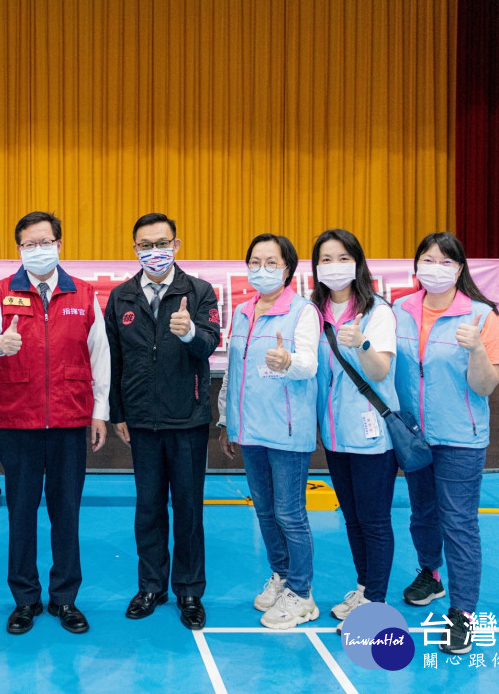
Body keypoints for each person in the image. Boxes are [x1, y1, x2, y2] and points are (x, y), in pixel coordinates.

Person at [0, 211, 109, 635]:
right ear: (19, 250)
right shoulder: (0, 293)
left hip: (70, 420)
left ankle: (65, 598)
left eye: (44, 242)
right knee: (22, 513)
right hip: (18, 421)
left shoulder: (84, 296)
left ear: (59, 245)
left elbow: (100, 356)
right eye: (28, 245)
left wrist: (99, 411)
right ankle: (25, 599)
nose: (37, 250)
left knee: (66, 512)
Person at [104, 213, 220, 630]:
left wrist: (189, 332)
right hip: (141, 421)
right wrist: (118, 412)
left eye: (162, 243)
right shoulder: (121, 297)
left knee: (188, 509)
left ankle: (189, 590)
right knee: (148, 508)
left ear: (177, 244)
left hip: (187, 419)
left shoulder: (200, 292)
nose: (155, 252)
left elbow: (209, 344)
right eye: (145, 245)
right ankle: (151, 586)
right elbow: (113, 360)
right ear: (134, 249)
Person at [392, 231, 499, 655]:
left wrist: (476, 349)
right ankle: (430, 574)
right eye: (427, 259)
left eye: (445, 261)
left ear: (459, 268)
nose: (434, 268)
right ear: (416, 264)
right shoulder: (399, 310)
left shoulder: (481, 317)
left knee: (458, 523)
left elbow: (486, 384)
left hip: (460, 437)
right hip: (413, 435)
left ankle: (463, 612)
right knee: (422, 514)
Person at [217, 233, 321, 630]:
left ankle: (302, 592)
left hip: (287, 429)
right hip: (250, 429)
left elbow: (309, 363)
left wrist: (287, 360)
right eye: (255, 262)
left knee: (290, 514)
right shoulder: (243, 312)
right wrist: (227, 419)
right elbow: (232, 371)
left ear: (288, 269)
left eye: (271, 262)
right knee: (264, 511)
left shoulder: (303, 311)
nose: (262, 269)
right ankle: (281, 576)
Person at [309, 229, 399, 625]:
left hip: (371, 437)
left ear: (358, 263)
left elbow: (380, 370)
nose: (333, 266)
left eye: (342, 257)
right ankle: (364, 587)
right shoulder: (313, 312)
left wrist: (362, 343)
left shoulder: (378, 311)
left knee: (375, 520)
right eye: (325, 259)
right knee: (352, 517)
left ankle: (375, 601)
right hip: (334, 435)